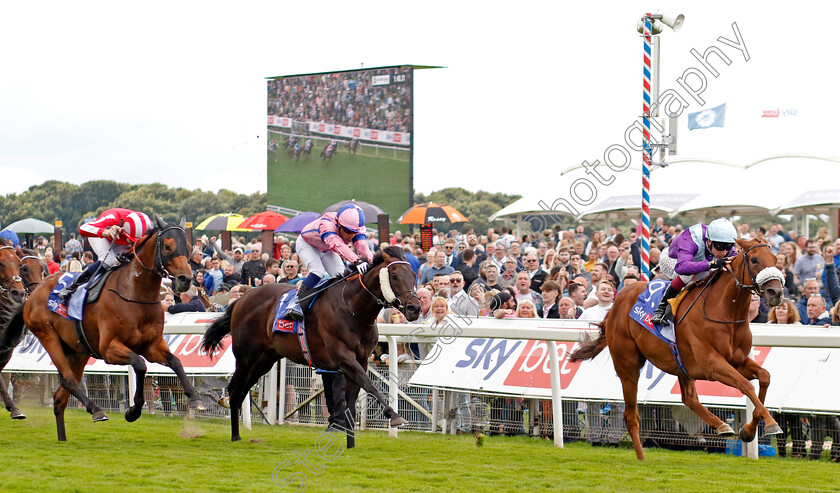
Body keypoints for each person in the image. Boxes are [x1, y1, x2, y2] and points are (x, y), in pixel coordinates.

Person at [287, 203, 373, 320]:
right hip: (307, 244)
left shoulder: (355, 226)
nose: (351, 236)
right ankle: (295, 304)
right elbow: (337, 245)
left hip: (325, 248)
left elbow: (362, 244)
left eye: (354, 232)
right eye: (348, 231)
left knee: (341, 276)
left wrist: (371, 260)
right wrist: (356, 261)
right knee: (317, 272)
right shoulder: (327, 225)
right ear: (339, 224)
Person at [651, 218, 737, 326]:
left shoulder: (721, 243)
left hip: (698, 259)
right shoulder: (691, 239)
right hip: (673, 259)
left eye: (728, 247)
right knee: (687, 276)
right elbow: (681, 267)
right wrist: (710, 264)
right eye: (721, 247)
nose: (724, 252)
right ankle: (660, 310)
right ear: (709, 241)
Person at [59, 208, 153, 303]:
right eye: (132, 241)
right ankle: (71, 287)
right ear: (124, 230)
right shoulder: (112, 216)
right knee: (108, 260)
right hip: (101, 236)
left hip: (120, 239)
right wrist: (104, 232)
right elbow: (83, 228)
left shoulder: (147, 224)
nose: (133, 245)